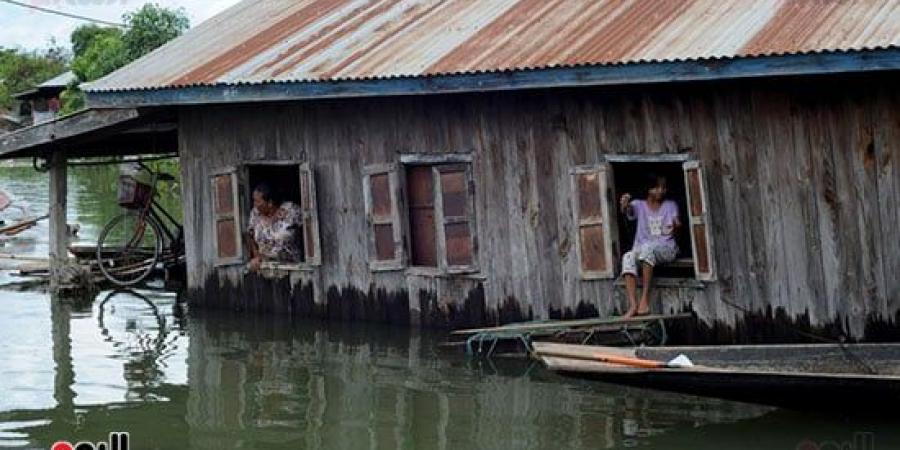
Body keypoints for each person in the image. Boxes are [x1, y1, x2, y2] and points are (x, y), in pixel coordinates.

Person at [619, 173, 681, 318]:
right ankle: (633, 305)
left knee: (647, 249)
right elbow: (628, 210)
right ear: (649, 189)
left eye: (664, 188)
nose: (661, 191)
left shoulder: (670, 205)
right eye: (657, 187)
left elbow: (676, 229)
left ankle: (644, 299)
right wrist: (625, 204)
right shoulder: (639, 205)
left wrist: (677, 226)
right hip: (643, 249)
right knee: (627, 257)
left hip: (667, 249)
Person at [246, 183, 303, 271]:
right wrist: (256, 256)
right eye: (254, 200)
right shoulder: (255, 213)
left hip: (292, 268)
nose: (255, 204)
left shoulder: (290, 210)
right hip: (266, 268)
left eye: (258, 201)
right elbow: (250, 235)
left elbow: (308, 225)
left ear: (270, 203)